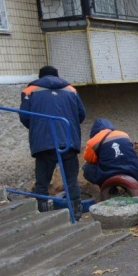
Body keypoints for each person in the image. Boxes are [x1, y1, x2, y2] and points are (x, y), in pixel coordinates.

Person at [20, 66, 87, 217]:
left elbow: (24, 117)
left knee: (42, 182)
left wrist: (38, 128)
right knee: (71, 180)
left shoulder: (29, 91)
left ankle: (43, 214)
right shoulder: (71, 90)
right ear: (58, 76)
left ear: (40, 76)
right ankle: (76, 212)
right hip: (68, 141)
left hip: (43, 143)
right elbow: (81, 114)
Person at [82, 118, 138, 187]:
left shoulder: (93, 141)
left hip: (109, 175)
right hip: (134, 171)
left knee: (87, 167)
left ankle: (109, 190)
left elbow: (88, 158)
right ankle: (126, 189)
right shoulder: (124, 134)